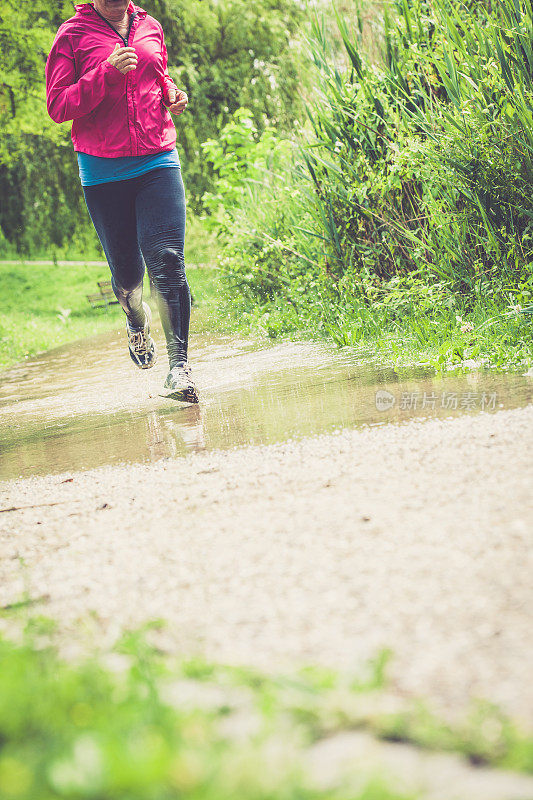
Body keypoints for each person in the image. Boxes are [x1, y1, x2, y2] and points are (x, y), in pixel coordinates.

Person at [45, 0, 198, 402]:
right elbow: (58, 106)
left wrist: (171, 93)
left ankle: (179, 368)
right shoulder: (72, 35)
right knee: (129, 277)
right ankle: (135, 318)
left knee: (167, 259)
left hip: (157, 158)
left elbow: (157, 77)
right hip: (104, 170)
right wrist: (105, 73)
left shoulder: (151, 25)